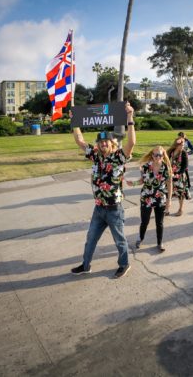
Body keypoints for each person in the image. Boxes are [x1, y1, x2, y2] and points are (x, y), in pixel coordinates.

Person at [70, 102, 135, 279]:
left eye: (107, 141)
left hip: (114, 208)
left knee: (119, 240)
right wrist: (75, 121)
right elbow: (80, 141)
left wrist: (129, 117)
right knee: (90, 239)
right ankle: (85, 265)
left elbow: (132, 142)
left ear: (112, 143)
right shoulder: (96, 156)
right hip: (99, 208)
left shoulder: (119, 157)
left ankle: (124, 264)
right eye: (101, 142)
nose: (104, 144)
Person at [126, 146, 172, 252]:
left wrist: (169, 201)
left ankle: (160, 243)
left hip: (160, 198)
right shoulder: (146, 166)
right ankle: (140, 238)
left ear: (163, 155)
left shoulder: (166, 168)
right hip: (146, 197)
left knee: (159, 222)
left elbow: (169, 184)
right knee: (144, 221)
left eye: (159, 155)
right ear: (152, 155)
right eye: (155, 155)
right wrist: (133, 183)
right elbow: (142, 180)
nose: (157, 157)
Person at [168, 137, 191, 216]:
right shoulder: (171, 151)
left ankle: (180, 209)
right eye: (181, 145)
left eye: (183, 145)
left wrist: (178, 173)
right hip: (170, 175)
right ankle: (167, 209)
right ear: (176, 145)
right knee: (168, 192)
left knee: (180, 193)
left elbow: (185, 166)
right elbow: (166, 161)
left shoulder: (184, 153)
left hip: (180, 176)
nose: (183, 146)